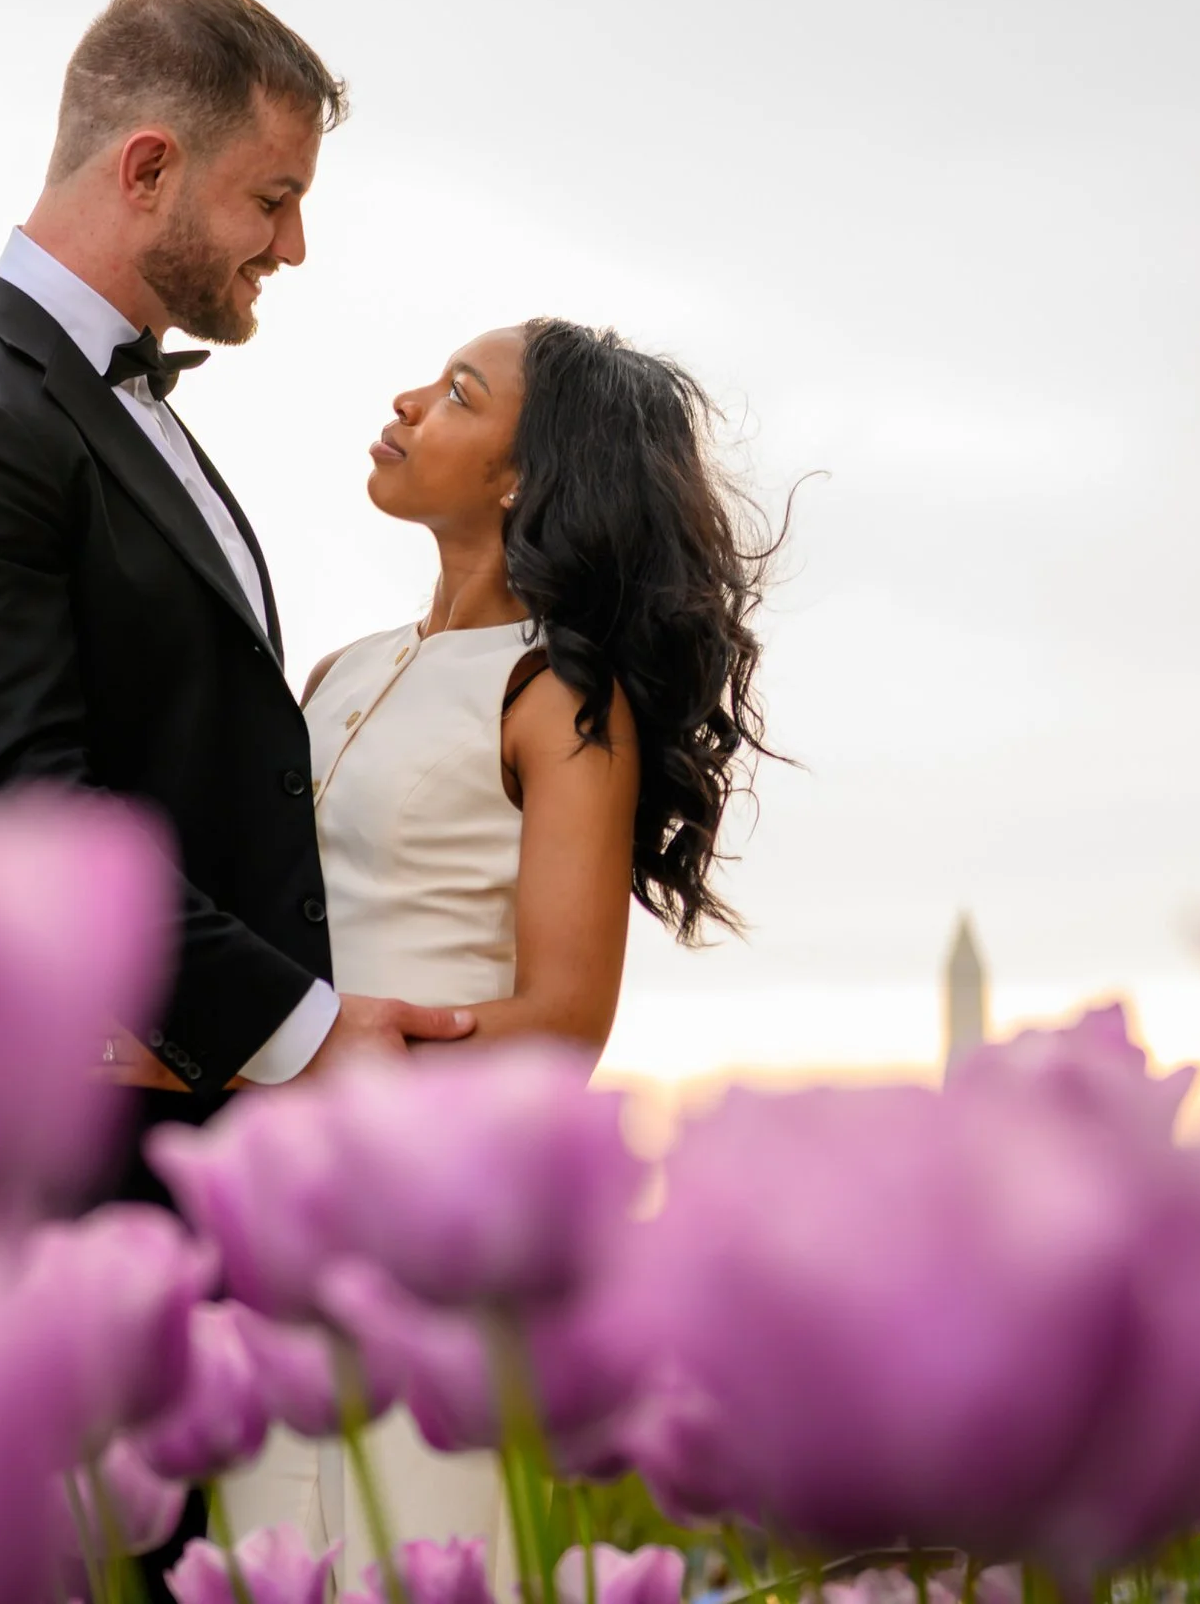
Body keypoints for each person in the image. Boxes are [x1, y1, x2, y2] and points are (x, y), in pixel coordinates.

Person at [0, 0, 478, 1582]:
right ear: (147, 168)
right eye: (274, 197)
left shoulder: (110, 408)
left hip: (167, 1181)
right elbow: (31, 833)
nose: (293, 247)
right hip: (47, 1192)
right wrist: (310, 1039)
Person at [232, 317, 774, 1576]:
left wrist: (349, 1047)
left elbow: (566, 1020)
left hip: (421, 1230)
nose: (411, 397)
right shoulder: (334, 670)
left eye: (459, 393)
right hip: (263, 1214)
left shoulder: (559, 697)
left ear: (520, 474)